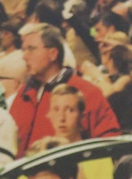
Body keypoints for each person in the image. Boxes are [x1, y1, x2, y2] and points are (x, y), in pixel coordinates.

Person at [9, 25, 120, 155]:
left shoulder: (86, 91)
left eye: (31, 49)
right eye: (23, 50)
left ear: (53, 54)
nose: (24, 56)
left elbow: (108, 141)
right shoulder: (23, 94)